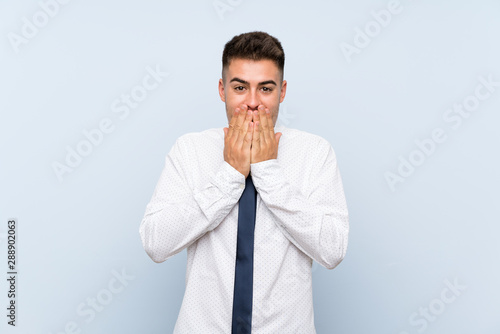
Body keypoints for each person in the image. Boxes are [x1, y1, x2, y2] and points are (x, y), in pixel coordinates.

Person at [139, 31, 349, 333]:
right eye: (240, 87)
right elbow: (156, 243)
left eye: (265, 88)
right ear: (223, 89)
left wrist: (267, 171)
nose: (252, 102)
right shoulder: (190, 150)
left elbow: (333, 249)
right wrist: (230, 175)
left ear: (282, 91)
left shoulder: (315, 153)